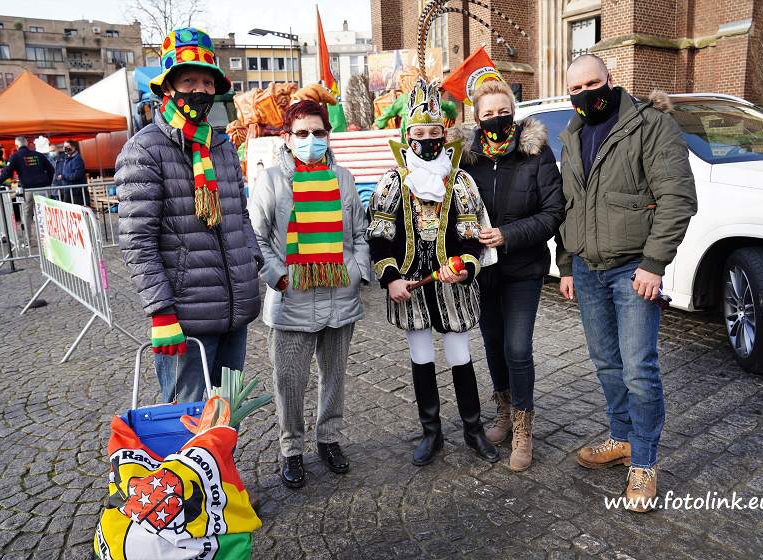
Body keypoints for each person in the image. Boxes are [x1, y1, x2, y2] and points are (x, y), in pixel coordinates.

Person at [556, 54, 697, 511]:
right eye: (576, 89)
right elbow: (569, 205)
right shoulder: (573, 134)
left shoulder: (650, 124)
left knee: (639, 368)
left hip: (633, 268)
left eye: (592, 84)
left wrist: (654, 263)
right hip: (587, 270)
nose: (585, 94)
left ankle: (645, 461)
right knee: (606, 363)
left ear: (610, 80)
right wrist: (567, 263)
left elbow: (677, 197)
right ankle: (621, 438)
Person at [116, 27, 263, 403]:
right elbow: (137, 241)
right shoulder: (144, 150)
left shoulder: (222, 145)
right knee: (188, 416)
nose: (200, 90)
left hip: (234, 309)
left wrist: (251, 261)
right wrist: (161, 311)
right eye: (189, 81)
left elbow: (240, 214)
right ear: (168, 88)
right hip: (186, 317)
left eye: (207, 82)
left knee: (226, 411)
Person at [366, 78, 499, 467]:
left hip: (452, 284)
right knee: (421, 355)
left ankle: (473, 429)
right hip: (409, 284)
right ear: (407, 135)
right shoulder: (393, 180)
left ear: (445, 133)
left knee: (460, 354)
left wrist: (466, 266)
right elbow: (379, 234)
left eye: (434, 132)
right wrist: (390, 278)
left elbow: (472, 233)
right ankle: (431, 432)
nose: (427, 140)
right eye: (419, 133)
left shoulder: (460, 180)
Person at [249, 100, 371, 489]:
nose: (311, 139)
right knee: (289, 381)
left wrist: (356, 272)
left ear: (328, 135)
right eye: (302, 133)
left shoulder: (344, 178)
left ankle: (329, 439)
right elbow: (256, 238)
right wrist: (277, 276)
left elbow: (360, 232)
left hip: (339, 296)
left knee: (334, 376)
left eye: (318, 132)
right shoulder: (271, 180)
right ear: (287, 138)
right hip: (292, 300)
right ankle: (291, 449)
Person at [459, 80, 564, 472]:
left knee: (517, 348)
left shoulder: (535, 153)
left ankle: (523, 425)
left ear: (514, 112)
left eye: (503, 112)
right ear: (477, 118)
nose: (496, 119)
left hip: (523, 267)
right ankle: (504, 411)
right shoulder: (466, 158)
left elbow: (552, 212)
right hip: (482, 270)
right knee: (493, 344)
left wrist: (508, 234)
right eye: (488, 113)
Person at [0, 136, 54, 242]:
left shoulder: (15, 156)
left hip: (28, 190)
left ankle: (29, 240)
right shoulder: (38, 155)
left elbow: (7, 173)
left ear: (16, 146)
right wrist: (48, 183)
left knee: (27, 215)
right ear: (27, 144)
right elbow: (51, 170)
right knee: (44, 213)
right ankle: (48, 240)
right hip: (43, 188)